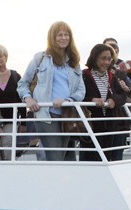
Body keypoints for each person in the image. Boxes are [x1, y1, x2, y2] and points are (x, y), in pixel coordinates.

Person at [17, 21, 85, 161]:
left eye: (66, 34)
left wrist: (68, 100)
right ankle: (55, 182)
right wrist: (28, 99)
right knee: (55, 156)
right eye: (59, 35)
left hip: (67, 116)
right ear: (52, 37)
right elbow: (23, 83)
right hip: (46, 116)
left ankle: (63, 183)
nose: (63, 38)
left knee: (67, 156)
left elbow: (81, 89)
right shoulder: (40, 58)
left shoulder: (74, 61)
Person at [80, 44, 127, 162]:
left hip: (110, 126)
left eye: (109, 59)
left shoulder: (112, 76)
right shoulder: (84, 76)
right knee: (90, 160)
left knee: (107, 160)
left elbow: (122, 96)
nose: (106, 62)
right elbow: (78, 97)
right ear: (95, 58)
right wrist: (92, 100)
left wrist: (114, 100)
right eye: (103, 58)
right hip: (91, 127)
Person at [0, 44, 26, 160]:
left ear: (6, 57)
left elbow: (22, 100)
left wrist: (23, 122)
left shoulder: (15, 76)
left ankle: (8, 171)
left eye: (0, 56)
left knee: (7, 147)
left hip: (11, 120)